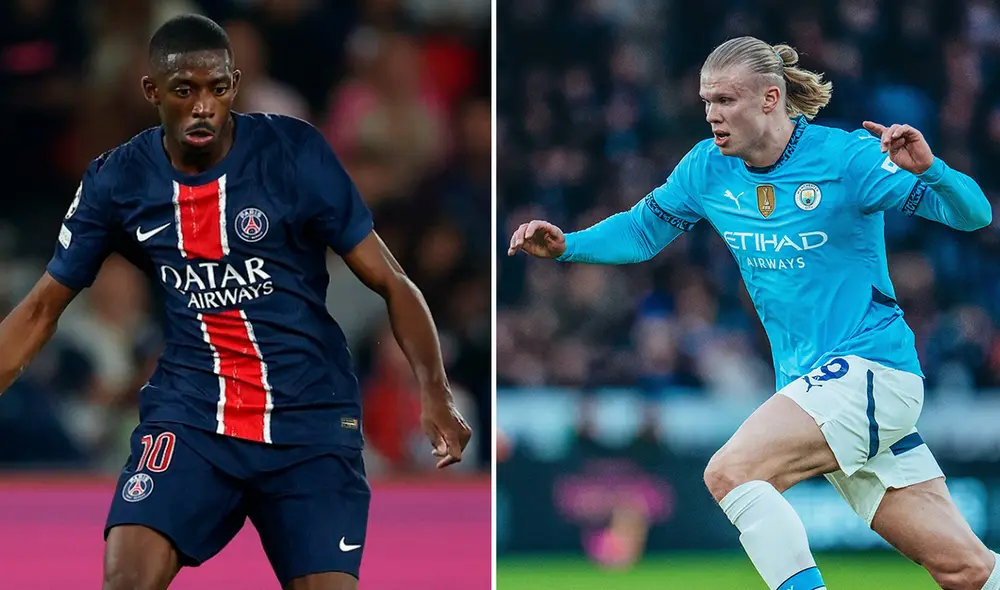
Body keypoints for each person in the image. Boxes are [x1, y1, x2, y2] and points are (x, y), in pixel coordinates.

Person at [0, 14, 472, 590]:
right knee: (124, 579)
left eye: (218, 88)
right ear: (153, 92)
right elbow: (41, 309)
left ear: (235, 85)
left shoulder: (294, 154)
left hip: (308, 422)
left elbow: (394, 282)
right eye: (184, 90)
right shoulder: (117, 180)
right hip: (193, 417)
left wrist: (435, 391)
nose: (203, 106)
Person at [508, 36, 997, 590]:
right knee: (967, 570)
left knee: (730, 471)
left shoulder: (846, 159)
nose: (713, 115)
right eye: (706, 102)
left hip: (871, 371)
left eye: (725, 100)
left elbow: (974, 215)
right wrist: (568, 245)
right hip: (814, 388)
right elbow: (644, 230)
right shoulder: (707, 170)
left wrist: (932, 170)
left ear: (770, 98)